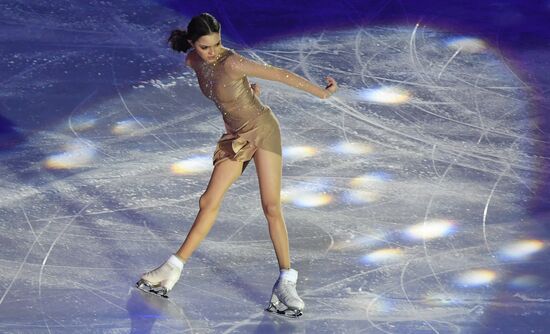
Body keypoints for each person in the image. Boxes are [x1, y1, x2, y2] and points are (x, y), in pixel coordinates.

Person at [136, 12, 337, 317]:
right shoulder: (193, 62)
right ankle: (172, 269)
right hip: (236, 137)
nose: (212, 51)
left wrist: (321, 93)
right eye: (205, 47)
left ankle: (286, 281)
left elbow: (280, 74)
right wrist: (247, 94)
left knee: (270, 206)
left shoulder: (232, 62)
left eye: (216, 44)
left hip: (263, 131)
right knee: (208, 200)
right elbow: (226, 93)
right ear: (193, 45)